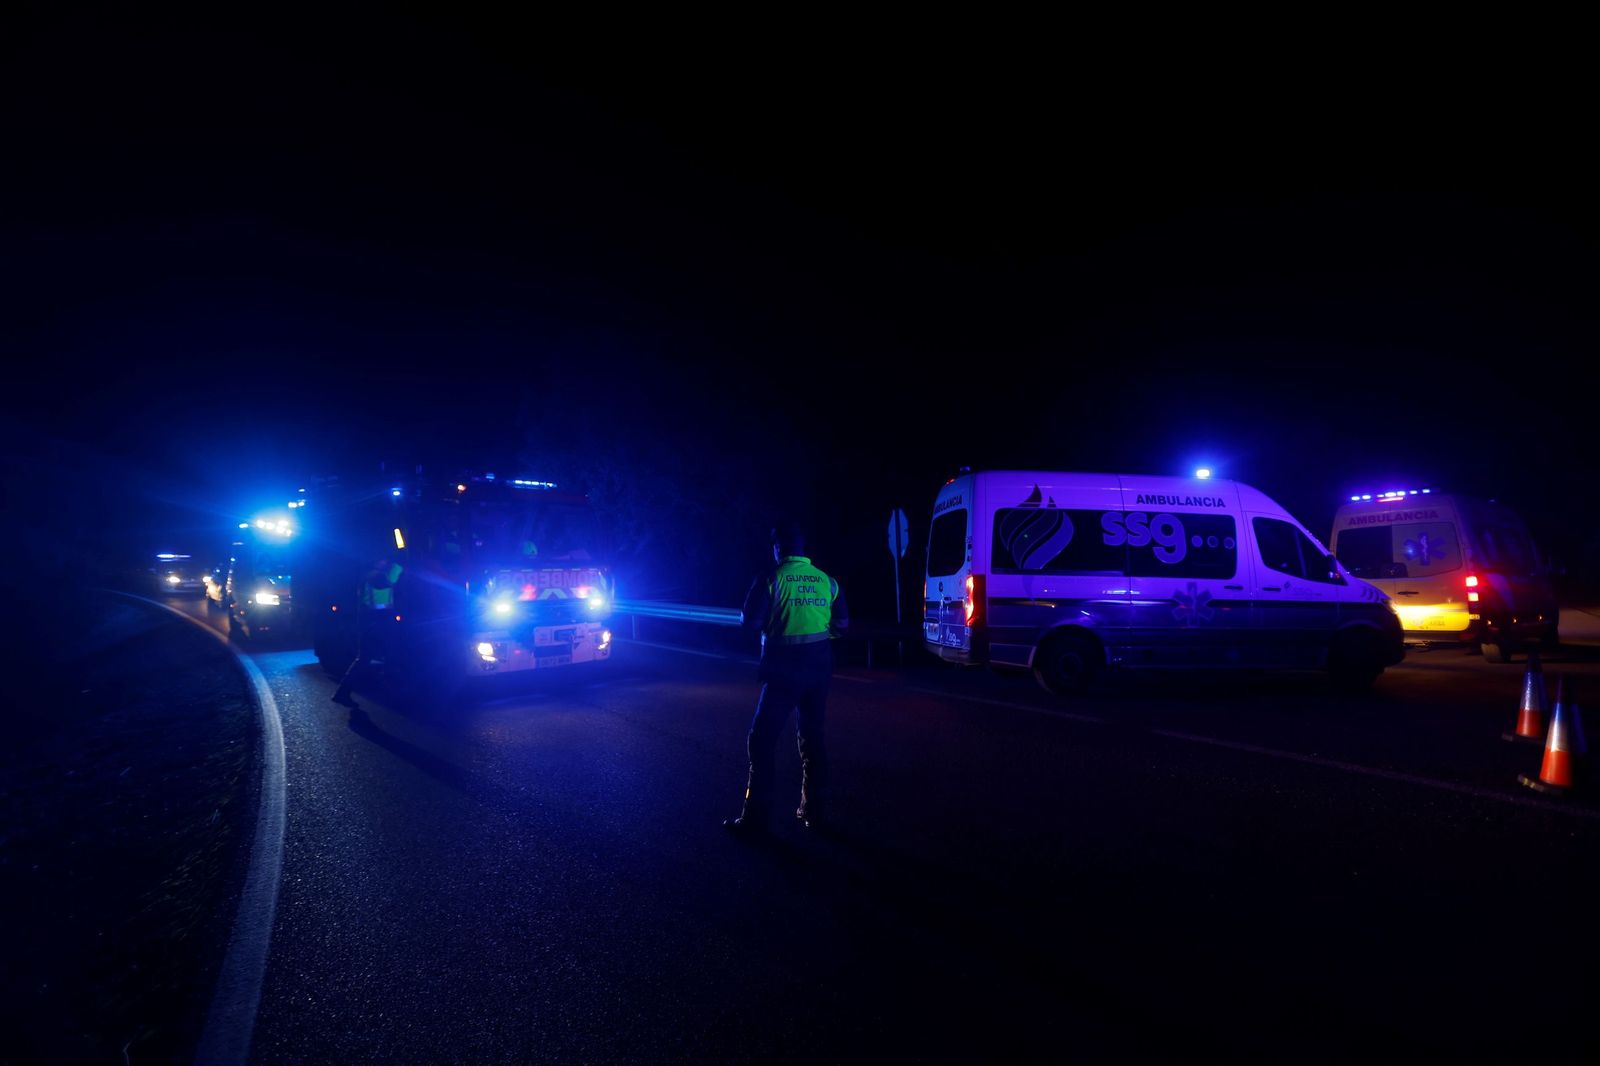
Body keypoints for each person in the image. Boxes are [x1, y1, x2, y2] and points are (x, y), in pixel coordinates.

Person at [724, 522, 848, 837]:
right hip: (820, 670)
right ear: (803, 549)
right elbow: (843, 625)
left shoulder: (771, 579)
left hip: (783, 672)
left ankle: (756, 819)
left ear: (778, 548)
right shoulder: (826, 581)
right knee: (812, 739)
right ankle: (815, 812)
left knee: (761, 740)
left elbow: (750, 624)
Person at [331, 554, 404, 711]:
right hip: (373, 621)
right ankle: (344, 692)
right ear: (376, 561)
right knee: (368, 658)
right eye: (383, 559)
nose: (386, 562)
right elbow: (389, 582)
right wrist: (399, 564)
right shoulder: (374, 576)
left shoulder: (372, 575)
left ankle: (344, 692)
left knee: (379, 656)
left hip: (375, 620)